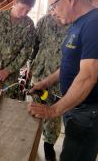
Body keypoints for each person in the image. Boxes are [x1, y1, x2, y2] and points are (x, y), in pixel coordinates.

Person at [28, 0, 98, 161]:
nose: (53, 12)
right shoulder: (78, 24)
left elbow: (87, 77)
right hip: (78, 108)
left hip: (92, 113)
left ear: (70, 0)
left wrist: (53, 111)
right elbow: (69, 64)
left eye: (54, 6)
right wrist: (45, 82)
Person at [27, 14, 69, 161]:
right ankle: (30, 141)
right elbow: (35, 44)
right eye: (53, 10)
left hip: (60, 78)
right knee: (34, 109)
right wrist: (30, 64)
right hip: (39, 72)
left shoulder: (75, 25)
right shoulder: (45, 21)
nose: (56, 14)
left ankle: (48, 146)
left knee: (54, 114)